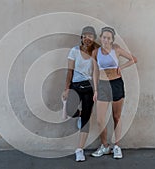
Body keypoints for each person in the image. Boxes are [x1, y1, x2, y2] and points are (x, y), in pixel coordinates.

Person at [91, 27, 137, 159]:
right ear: (101, 37)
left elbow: (134, 59)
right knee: (100, 120)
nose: (105, 40)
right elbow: (95, 71)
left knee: (116, 117)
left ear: (112, 40)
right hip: (102, 86)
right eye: (104, 37)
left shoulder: (116, 49)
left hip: (116, 84)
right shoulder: (95, 52)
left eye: (108, 38)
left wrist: (121, 67)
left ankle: (117, 146)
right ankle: (105, 146)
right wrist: (95, 89)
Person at [62, 26, 98, 162]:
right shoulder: (74, 51)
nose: (87, 38)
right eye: (84, 36)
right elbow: (69, 71)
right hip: (75, 86)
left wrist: (96, 90)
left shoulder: (95, 52)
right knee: (71, 111)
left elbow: (95, 72)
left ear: (94, 38)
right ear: (81, 38)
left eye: (90, 36)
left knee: (86, 121)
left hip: (88, 87)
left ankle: (79, 150)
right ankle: (81, 115)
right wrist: (66, 89)